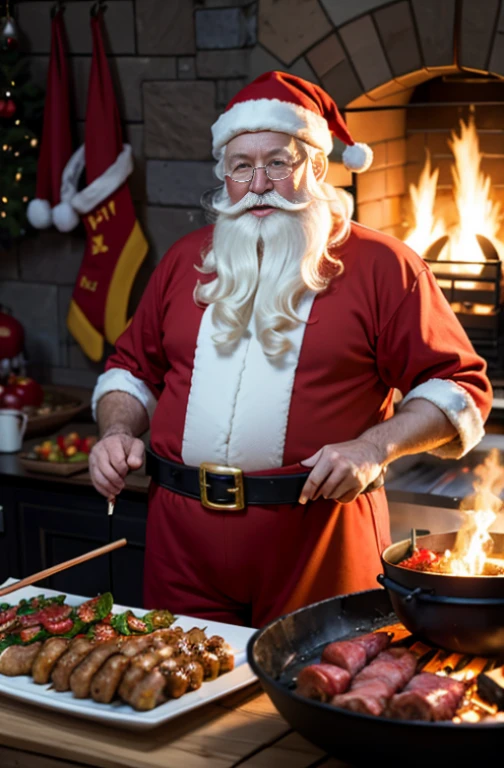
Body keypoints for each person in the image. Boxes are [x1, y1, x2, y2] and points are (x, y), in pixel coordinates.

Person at [89, 71, 492, 628]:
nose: (258, 183)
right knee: (179, 699)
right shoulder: (185, 261)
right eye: (241, 166)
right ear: (223, 175)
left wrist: (374, 447)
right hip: (180, 543)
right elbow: (130, 370)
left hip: (318, 540)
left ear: (317, 169)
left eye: (278, 162)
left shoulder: (384, 266)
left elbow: (457, 387)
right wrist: (115, 432)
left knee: (316, 699)